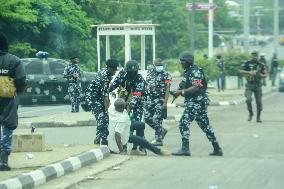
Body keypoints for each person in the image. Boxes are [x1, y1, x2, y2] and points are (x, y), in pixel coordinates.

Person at [171, 51, 223, 156]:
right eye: (180, 60)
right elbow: (182, 85)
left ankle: (185, 149)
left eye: (183, 60)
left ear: (189, 61)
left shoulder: (196, 71)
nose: (181, 63)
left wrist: (181, 92)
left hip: (197, 101)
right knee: (205, 125)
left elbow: (196, 87)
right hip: (195, 102)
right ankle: (217, 148)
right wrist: (176, 91)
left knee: (183, 123)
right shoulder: (187, 72)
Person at [0, 33, 26, 171]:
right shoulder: (14, 60)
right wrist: (18, 90)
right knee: (8, 127)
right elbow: (21, 79)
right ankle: (3, 160)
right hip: (9, 96)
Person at [109, 60, 147, 152]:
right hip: (124, 100)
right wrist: (107, 91)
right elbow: (114, 85)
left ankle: (140, 145)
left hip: (138, 101)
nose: (132, 74)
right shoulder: (122, 75)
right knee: (123, 123)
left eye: (134, 72)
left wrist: (129, 107)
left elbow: (136, 95)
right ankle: (124, 146)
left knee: (137, 122)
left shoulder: (140, 79)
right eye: (130, 72)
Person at [85, 59, 119, 145]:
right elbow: (106, 98)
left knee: (105, 119)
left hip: (98, 97)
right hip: (92, 99)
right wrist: (108, 111)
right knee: (102, 118)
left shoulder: (106, 72)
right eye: (114, 70)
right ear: (110, 69)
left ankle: (103, 139)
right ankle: (99, 139)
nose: (115, 72)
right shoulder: (103, 78)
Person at [144, 58, 171, 146]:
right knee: (147, 118)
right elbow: (146, 86)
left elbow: (167, 88)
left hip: (160, 100)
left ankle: (158, 139)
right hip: (150, 100)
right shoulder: (149, 73)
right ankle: (162, 130)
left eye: (160, 65)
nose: (159, 66)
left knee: (157, 119)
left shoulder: (166, 75)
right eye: (157, 65)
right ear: (154, 65)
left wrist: (165, 102)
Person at [240, 51, 267, 123]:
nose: (254, 57)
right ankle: (251, 113)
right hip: (249, 84)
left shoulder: (261, 64)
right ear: (251, 56)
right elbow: (241, 71)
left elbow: (265, 74)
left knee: (259, 102)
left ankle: (258, 117)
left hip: (258, 85)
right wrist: (248, 72)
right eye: (253, 55)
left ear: (257, 56)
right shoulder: (247, 63)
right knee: (248, 100)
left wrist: (259, 75)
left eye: (255, 56)